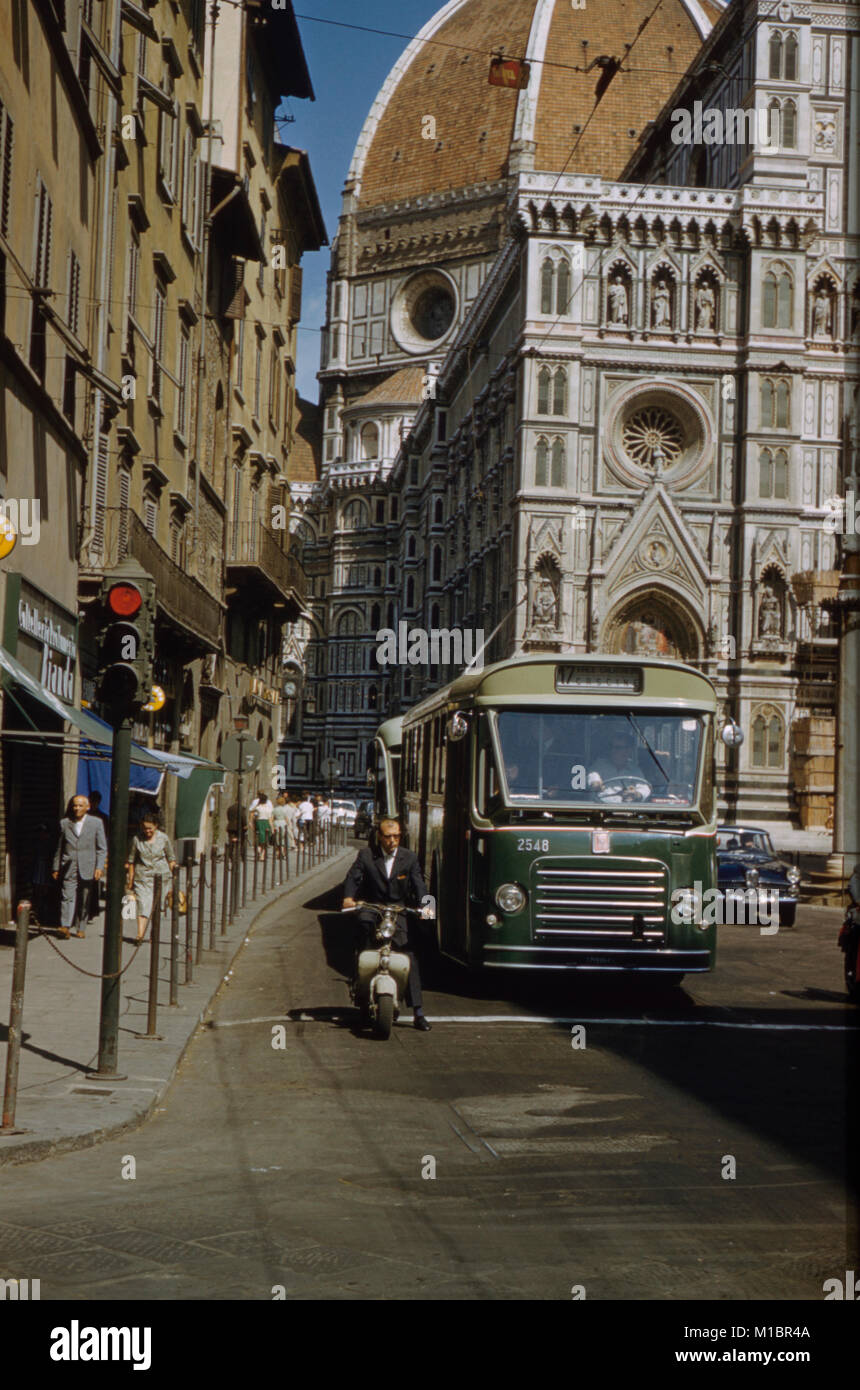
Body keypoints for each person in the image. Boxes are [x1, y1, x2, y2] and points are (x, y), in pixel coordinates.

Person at [342, 818, 433, 1032]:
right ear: (379, 837)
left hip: (397, 911)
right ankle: (361, 991)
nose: (392, 841)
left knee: (408, 954)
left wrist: (428, 907)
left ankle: (418, 1012)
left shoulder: (409, 858)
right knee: (364, 941)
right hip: (372, 908)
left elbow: (420, 885)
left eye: (396, 836)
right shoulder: (366, 855)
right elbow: (353, 877)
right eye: (388, 836)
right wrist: (348, 897)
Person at [52, 796, 107, 939]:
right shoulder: (64, 823)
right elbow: (59, 847)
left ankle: (81, 925)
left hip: (88, 865)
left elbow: (102, 848)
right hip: (69, 865)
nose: (77, 808)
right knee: (67, 896)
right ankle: (65, 926)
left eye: (80, 806)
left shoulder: (96, 823)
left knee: (84, 898)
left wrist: (99, 867)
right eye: (75, 805)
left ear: (87, 807)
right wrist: (56, 867)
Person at [126, 813, 177, 943]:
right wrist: (130, 879)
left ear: (156, 826)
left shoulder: (163, 838)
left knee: (157, 906)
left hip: (161, 877)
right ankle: (140, 934)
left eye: (150, 828)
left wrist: (175, 879)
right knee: (142, 904)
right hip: (142, 877)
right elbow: (131, 860)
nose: (147, 831)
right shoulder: (137, 839)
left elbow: (171, 858)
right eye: (144, 828)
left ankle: (154, 933)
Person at [249, 788, 273, 861]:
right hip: (266, 823)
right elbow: (270, 819)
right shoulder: (269, 808)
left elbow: (251, 811)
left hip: (258, 822)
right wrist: (272, 828)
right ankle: (262, 855)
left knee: (258, 839)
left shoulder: (258, 807)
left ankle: (258, 851)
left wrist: (250, 822)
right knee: (265, 840)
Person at [271, 793, 289, 858]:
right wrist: (289, 825)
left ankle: (277, 853)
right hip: (283, 823)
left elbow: (272, 818)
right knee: (283, 839)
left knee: (277, 839)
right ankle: (282, 853)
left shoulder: (274, 809)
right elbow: (286, 818)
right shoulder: (284, 809)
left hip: (276, 823)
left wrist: (272, 826)